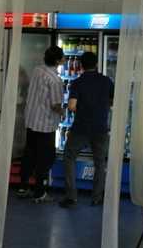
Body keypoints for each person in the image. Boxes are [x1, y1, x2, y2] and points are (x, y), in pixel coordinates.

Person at [60, 50, 114, 207]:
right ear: (96, 64)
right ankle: (97, 198)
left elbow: (71, 106)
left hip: (81, 128)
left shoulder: (77, 82)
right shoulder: (106, 81)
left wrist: (81, 109)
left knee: (69, 157)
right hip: (100, 128)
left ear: (81, 66)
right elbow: (113, 101)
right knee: (100, 163)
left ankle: (71, 197)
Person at [17, 46, 64, 202]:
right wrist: (63, 112)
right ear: (58, 61)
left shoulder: (37, 70)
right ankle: (39, 192)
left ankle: (23, 187)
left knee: (29, 154)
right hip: (45, 125)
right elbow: (55, 104)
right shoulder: (55, 80)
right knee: (46, 158)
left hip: (31, 120)